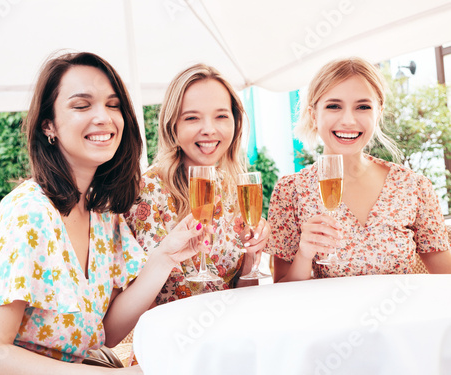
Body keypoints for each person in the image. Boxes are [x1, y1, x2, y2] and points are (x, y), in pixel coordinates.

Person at [0, 52, 209, 375]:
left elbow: (108, 332)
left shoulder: (104, 214)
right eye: (81, 105)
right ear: (49, 126)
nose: (103, 117)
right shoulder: (28, 212)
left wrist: (165, 258)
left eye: (113, 104)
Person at [266, 56, 451, 282]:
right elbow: (281, 291)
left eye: (363, 106)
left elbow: (446, 278)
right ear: (314, 114)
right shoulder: (290, 191)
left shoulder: (413, 186)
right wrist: (304, 255)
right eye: (334, 106)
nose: (348, 120)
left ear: (378, 112)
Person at [124, 63, 270, 306]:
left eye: (221, 116)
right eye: (192, 118)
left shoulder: (233, 189)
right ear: (173, 125)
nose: (209, 130)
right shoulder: (146, 192)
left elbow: (243, 295)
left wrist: (252, 255)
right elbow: (137, 305)